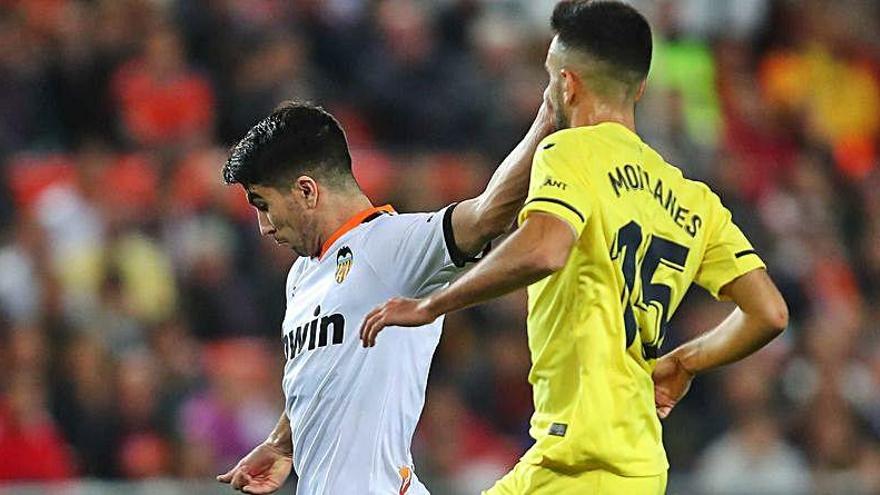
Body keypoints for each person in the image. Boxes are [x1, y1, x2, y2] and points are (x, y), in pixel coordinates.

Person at [359, 1, 789, 494]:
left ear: (566, 84)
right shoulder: (693, 199)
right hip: (635, 462)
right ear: (640, 89)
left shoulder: (570, 153)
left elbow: (544, 248)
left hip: (582, 461)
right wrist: (686, 361)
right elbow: (769, 312)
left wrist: (433, 304)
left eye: (549, 79)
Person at [216, 100, 553, 494]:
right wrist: (281, 442)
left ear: (307, 191)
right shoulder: (301, 275)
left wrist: (551, 112)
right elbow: (321, 372)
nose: (263, 227)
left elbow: (486, 215)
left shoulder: (393, 246)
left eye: (264, 205)